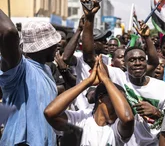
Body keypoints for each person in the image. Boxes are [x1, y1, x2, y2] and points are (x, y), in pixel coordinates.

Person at [44, 56, 134, 146]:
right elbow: (50, 112)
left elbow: (127, 118)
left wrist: (106, 80)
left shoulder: (116, 129)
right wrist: (88, 82)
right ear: (101, 98)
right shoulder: (80, 119)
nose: (119, 108)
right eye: (115, 101)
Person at [0, 9, 59, 145]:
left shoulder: (47, 70)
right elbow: (9, 31)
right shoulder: (19, 70)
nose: (57, 46)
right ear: (44, 46)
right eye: (53, 43)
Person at [111, 46, 165, 146]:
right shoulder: (118, 78)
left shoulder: (162, 87)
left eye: (142, 59)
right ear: (125, 64)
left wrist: (156, 113)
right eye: (132, 60)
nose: (138, 63)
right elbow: (89, 57)